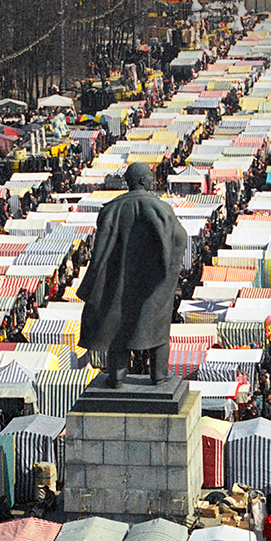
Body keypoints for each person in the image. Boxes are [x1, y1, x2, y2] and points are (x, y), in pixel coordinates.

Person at [76, 162, 188, 387]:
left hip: (118, 280)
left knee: (118, 327)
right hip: (152, 283)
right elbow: (180, 238)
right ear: (144, 181)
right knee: (158, 329)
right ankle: (159, 374)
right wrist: (167, 272)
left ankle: (116, 377)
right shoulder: (160, 208)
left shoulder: (111, 209)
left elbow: (99, 250)